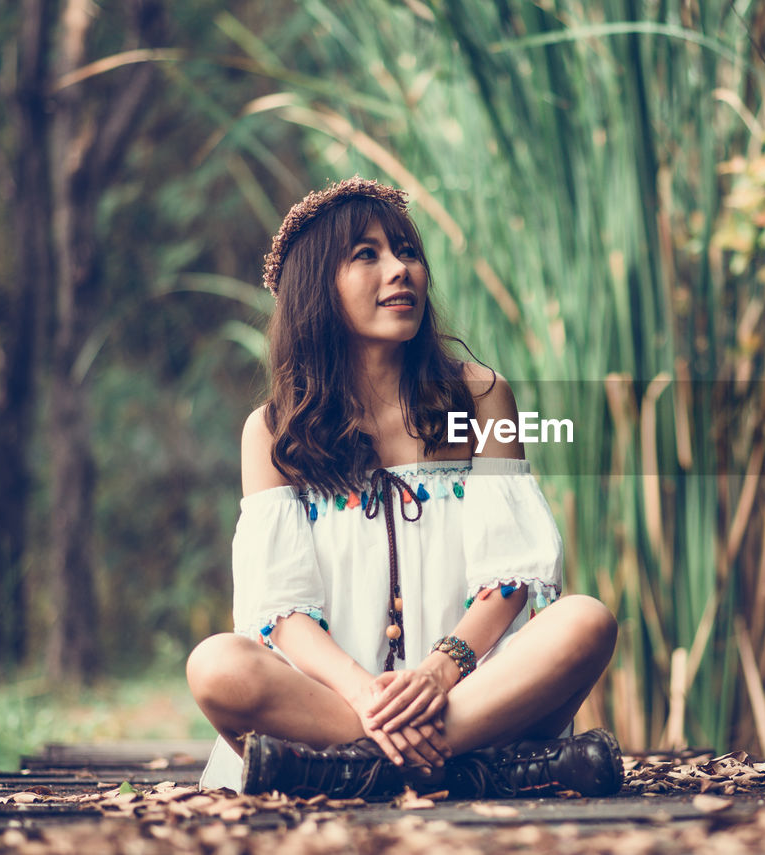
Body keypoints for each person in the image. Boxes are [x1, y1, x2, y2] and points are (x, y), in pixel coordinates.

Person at [185, 177, 621, 800]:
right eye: (367, 255)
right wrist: (366, 693)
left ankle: (358, 771)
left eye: (407, 251)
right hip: (342, 703)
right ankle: (463, 770)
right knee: (216, 665)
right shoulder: (275, 431)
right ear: (316, 288)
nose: (401, 270)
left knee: (585, 621)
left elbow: (509, 580)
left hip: (472, 690)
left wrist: (440, 673)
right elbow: (282, 614)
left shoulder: (481, 396)